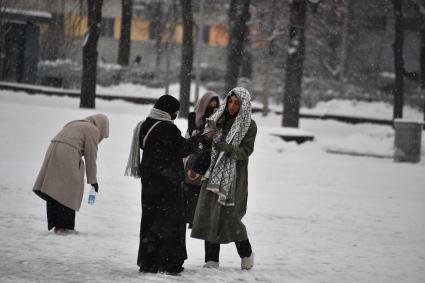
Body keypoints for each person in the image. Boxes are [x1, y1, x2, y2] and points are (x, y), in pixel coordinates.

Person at [125, 94, 217, 275]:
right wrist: (204, 139)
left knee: (151, 220)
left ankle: (149, 261)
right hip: (168, 184)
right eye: (175, 111)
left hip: (150, 183)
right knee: (171, 222)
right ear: (169, 111)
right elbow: (183, 148)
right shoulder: (167, 128)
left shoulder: (145, 125)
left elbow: (152, 148)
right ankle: (170, 262)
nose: (176, 115)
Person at [191, 87, 257, 270]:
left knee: (231, 217)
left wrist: (225, 148)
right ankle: (211, 259)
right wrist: (206, 138)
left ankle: (246, 253)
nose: (232, 106)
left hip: (235, 175)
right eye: (230, 101)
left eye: (237, 103)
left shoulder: (249, 125)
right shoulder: (217, 119)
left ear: (244, 105)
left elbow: (246, 152)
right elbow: (205, 144)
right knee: (208, 213)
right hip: (212, 173)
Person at [33, 114, 109, 235]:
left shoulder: (74, 123)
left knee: (54, 188)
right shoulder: (93, 130)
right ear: (102, 126)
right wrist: (93, 181)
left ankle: (57, 224)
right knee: (70, 189)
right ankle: (64, 227)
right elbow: (91, 156)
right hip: (68, 152)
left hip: (53, 149)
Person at [183, 91, 220, 228]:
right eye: (211, 103)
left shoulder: (218, 116)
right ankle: (191, 218)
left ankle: (199, 220)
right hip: (196, 155)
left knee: (204, 191)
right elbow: (193, 132)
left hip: (211, 156)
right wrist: (206, 127)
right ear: (204, 103)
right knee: (192, 186)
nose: (213, 106)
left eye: (216, 103)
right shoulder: (194, 116)